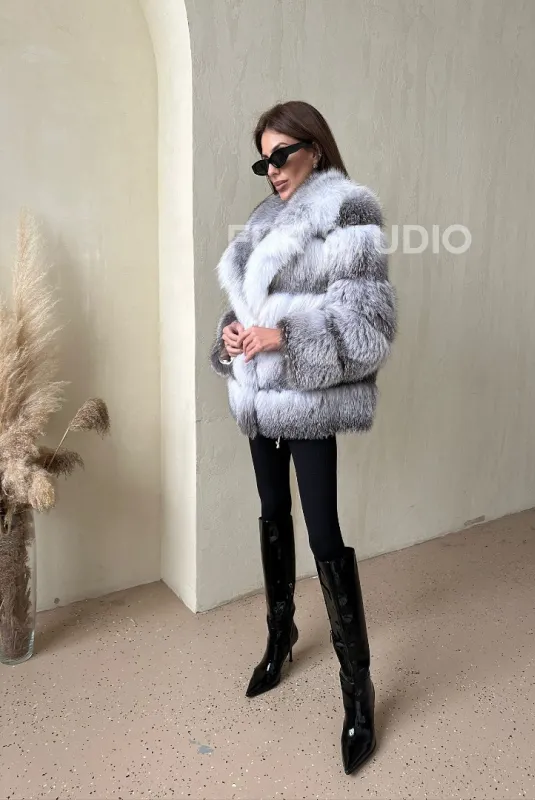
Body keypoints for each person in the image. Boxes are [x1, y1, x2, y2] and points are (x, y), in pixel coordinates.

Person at [209, 100, 396, 775]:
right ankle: (280, 633)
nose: (274, 170)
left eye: (283, 154)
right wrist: (233, 337)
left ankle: (357, 688)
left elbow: (369, 328)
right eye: (264, 161)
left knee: (324, 533)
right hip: (257, 394)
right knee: (271, 511)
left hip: (308, 397)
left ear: (314, 146)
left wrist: (283, 337)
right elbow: (245, 308)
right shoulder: (264, 219)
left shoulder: (350, 212)